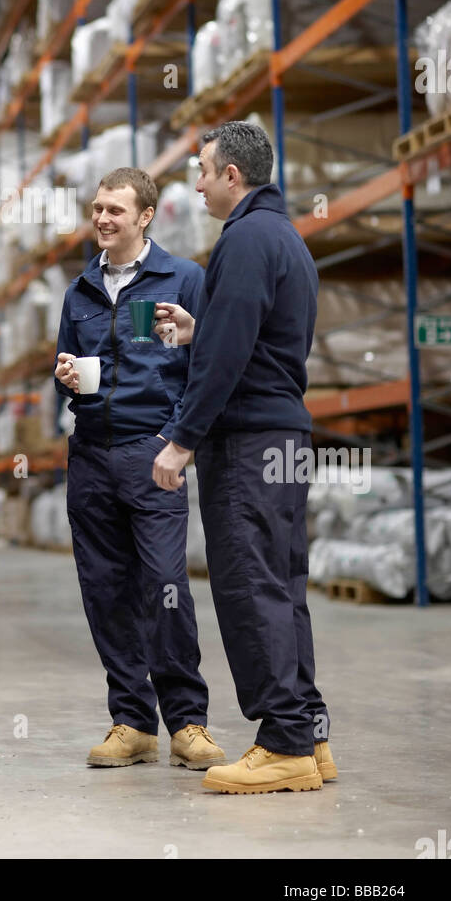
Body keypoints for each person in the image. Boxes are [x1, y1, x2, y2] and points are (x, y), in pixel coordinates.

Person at [153, 121, 334, 795]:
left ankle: (283, 740)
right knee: (284, 586)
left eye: (202, 171)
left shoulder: (245, 239)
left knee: (249, 585)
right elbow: (254, 337)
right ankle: (310, 736)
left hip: (250, 443)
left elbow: (228, 357)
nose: (196, 184)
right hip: (285, 438)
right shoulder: (283, 236)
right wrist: (204, 330)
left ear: (232, 176)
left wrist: (181, 438)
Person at [54, 167, 225, 771]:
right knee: (104, 588)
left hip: (151, 452)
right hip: (91, 453)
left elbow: (201, 368)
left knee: (164, 585)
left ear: (145, 216)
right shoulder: (80, 289)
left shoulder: (182, 279)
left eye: (115, 211)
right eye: (97, 208)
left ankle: (188, 721)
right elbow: (72, 360)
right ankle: (131, 720)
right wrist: (69, 373)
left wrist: (174, 439)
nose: (102, 219)